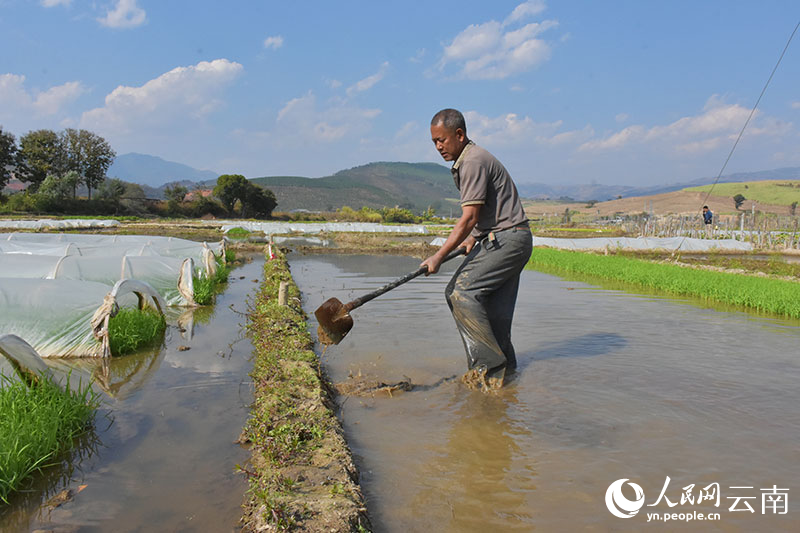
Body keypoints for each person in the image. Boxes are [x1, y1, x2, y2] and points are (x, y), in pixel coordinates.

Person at [421, 109, 532, 391]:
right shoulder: (471, 159)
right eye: (434, 142)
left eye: (442, 140)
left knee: (460, 293)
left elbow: (469, 216)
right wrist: (474, 236)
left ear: (459, 135)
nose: (438, 147)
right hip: (511, 239)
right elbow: (484, 215)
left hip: (507, 241)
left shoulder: (471, 161)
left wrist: (438, 256)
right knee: (496, 319)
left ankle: (486, 371)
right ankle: (508, 384)